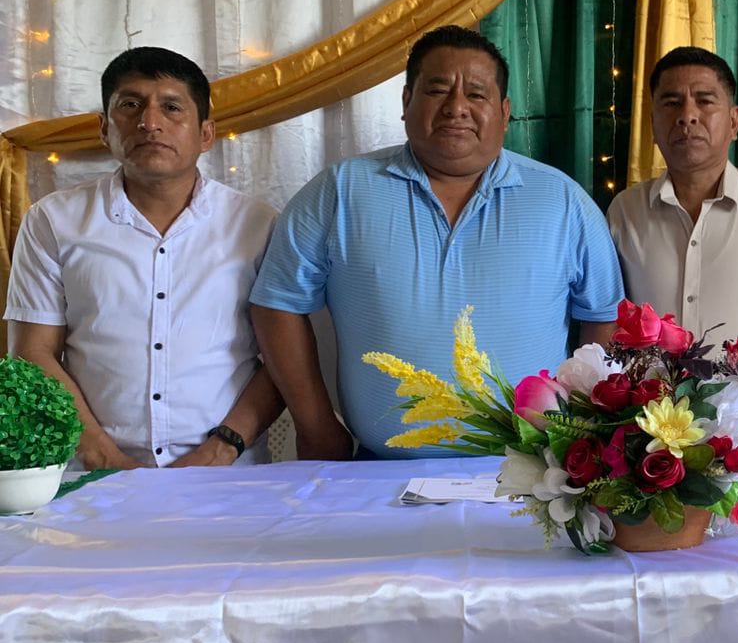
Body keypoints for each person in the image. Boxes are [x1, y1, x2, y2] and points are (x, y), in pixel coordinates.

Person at [249, 25, 623, 459]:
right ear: (406, 102)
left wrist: (580, 432)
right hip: (377, 468)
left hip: (534, 472)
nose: (456, 108)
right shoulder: (341, 191)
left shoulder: (563, 200)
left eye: (476, 94)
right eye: (438, 90)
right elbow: (277, 303)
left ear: (505, 112)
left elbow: (604, 318)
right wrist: (315, 424)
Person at [5, 47, 281, 468]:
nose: (150, 123)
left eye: (171, 107)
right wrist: (102, 456)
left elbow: (285, 358)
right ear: (104, 128)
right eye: (130, 105)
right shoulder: (53, 220)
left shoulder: (258, 224)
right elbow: (33, 352)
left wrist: (219, 451)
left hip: (228, 473)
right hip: (89, 474)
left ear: (206, 134)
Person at [607, 47, 738, 350]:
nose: (687, 116)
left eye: (704, 101)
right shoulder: (625, 212)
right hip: (647, 384)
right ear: (652, 125)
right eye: (672, 103)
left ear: (734, 122)